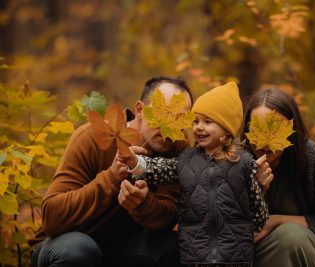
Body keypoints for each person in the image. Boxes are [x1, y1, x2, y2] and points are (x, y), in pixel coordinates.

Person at [29, 76, 193, 267]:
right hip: (63, 245)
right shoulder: (92, 138)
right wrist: (111, 178)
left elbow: (167, 216)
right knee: (79, 250)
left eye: (180, 118)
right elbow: (52, 218)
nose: (171, 126)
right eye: (163, 114)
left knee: (172, 246)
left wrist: (143, 204)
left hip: (121, 249)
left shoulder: (177, 149)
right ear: (140, 110)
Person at [119, 81, 269, 266]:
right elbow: (160, 168)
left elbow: (258, 211)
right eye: (196, 121)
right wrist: (137, 163)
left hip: (234, 253)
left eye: (207, 122)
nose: (198, 127)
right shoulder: (187, 159)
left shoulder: (245, 163)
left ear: (227, 129)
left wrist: (257, 200)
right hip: (195, 252)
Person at [241, 87, 315, 267]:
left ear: (292, 129)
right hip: (257, 253)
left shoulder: (311, 158)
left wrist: (276, 221)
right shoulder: (236, 159)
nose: (265, 140)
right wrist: (254, 188)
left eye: (275, 128)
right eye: (257, 128)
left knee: (289, 238)